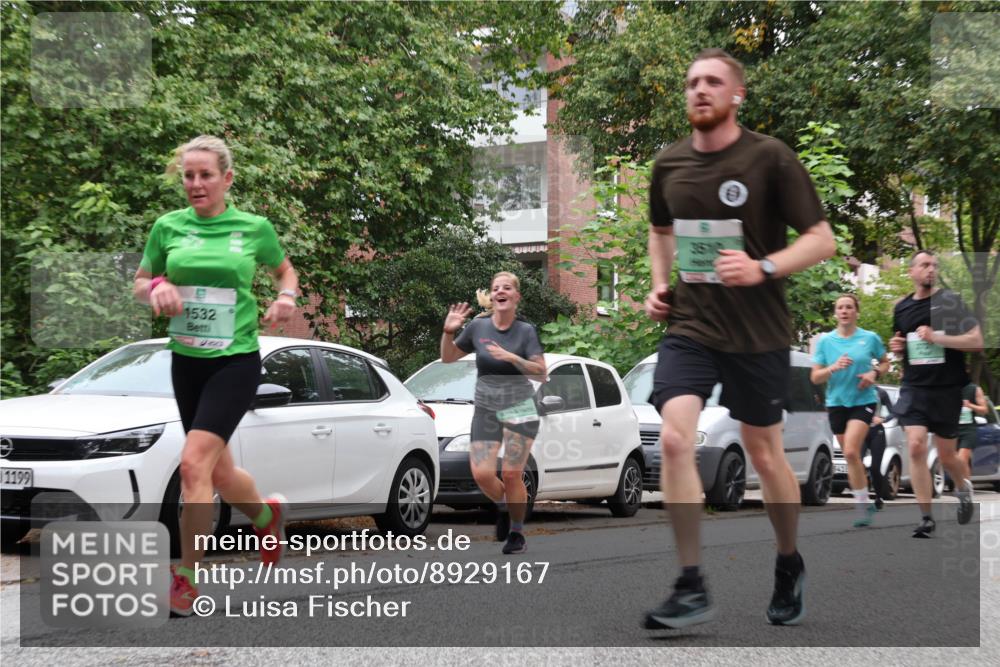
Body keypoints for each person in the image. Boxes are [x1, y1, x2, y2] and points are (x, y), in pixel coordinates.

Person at [643, 48, 837, 630]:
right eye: (692, 81)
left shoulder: (769, 157)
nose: (700, 89)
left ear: (736, 95)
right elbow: (659, 231)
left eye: (713, 82)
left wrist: (764, 268)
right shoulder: (669, 163)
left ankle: (787, 560)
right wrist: (658, 285)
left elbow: (821, 239)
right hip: (693, 326)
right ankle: (690, 584)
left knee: (764, 454)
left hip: (758, 332)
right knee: (676, 440)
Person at [133, 135, 299, 616]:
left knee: (191, 465)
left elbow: (285, 273)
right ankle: (267, 516)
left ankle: (186, 577)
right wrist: (159, 288)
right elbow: (141, 284)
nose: (196, 184)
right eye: (188, 175)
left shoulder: (253, 228)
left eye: (206, 175)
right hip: (187, 362)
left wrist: (285, 298)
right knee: (218, 472)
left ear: (226, 179)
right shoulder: (167, 227)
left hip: (235, 361)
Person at [440, 272, 546, 555]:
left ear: (516, 297)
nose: (501, 291)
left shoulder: (526, 331)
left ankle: (516, 533)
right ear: (492, 296)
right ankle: (504, 505)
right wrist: (448, 331)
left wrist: (512, 357)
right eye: (496, 288)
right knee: (482, 473)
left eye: (507, 288)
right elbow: (448, 358)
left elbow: (541, 373)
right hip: (487, 406)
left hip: (521, 405)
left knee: (512, 473)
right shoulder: (478, 327)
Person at [888, 249, 983, 537]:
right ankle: (926, 517)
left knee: (947, 455)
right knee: (915, 446)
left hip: (948, 388)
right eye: (925, 265)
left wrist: (938, 336)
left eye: (934, 265)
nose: (931, 269)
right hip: (915, 387)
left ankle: (963, 488)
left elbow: (976, 341)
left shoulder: (951, 301)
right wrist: (897, 347)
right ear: (912, 272)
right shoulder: (902, 307)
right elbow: (900, 341)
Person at [811, 294, 889, 527]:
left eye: (849, 307)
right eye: (840, 308)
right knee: (850, 454)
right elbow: (815, 376)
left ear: (856, 311)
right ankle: (865, 498)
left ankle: (862, 509)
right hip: (836, 403)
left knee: (852, 451)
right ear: (835, 313)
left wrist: (874, 374)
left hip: (863, 400)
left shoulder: (870, 338)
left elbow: (885, 363)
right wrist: (832, 368)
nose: (844, 311)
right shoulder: (826, 342)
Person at [863, 385, 894, 509]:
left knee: (875, 467)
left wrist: (883, 419)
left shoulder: (881, 392)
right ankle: (862, 496)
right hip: (861, 431)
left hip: (877, 432)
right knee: (857, 462)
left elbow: (894, 412)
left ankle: (878, 496)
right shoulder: (856, 390)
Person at [956, 381, 988, 479]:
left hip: (967, 430)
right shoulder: (945, 387)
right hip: (951, 429)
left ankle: (964, 489)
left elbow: (984, 410)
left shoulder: (974, 389)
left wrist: (970, 405)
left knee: (962, 459)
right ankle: (964, 483)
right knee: (952, 461)